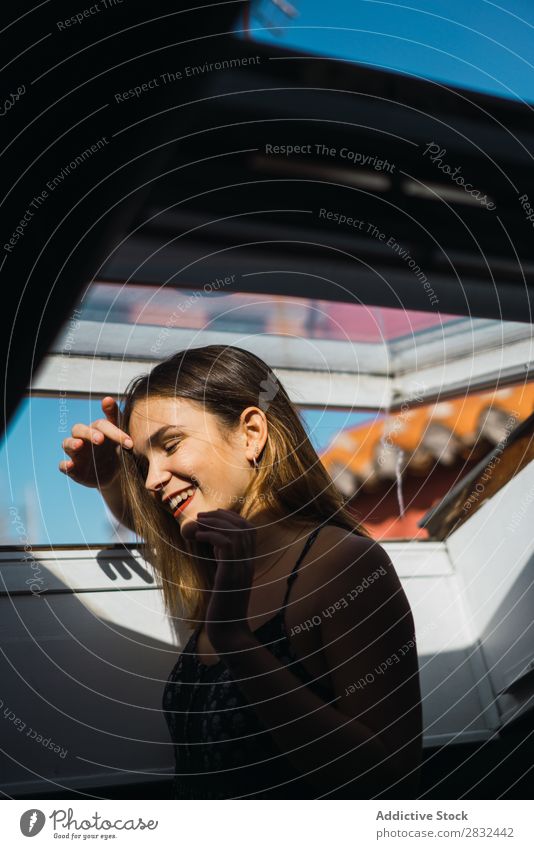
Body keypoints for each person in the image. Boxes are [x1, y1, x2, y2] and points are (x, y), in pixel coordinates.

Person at [59, 344, 423, 799]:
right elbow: (155, 532)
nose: (151, 480)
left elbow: (391, 777)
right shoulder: (218, 561)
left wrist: (235, 642)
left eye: (170, 445)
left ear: (251, 433)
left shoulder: (344, 566)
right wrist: (113, 479)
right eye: (144, 464)